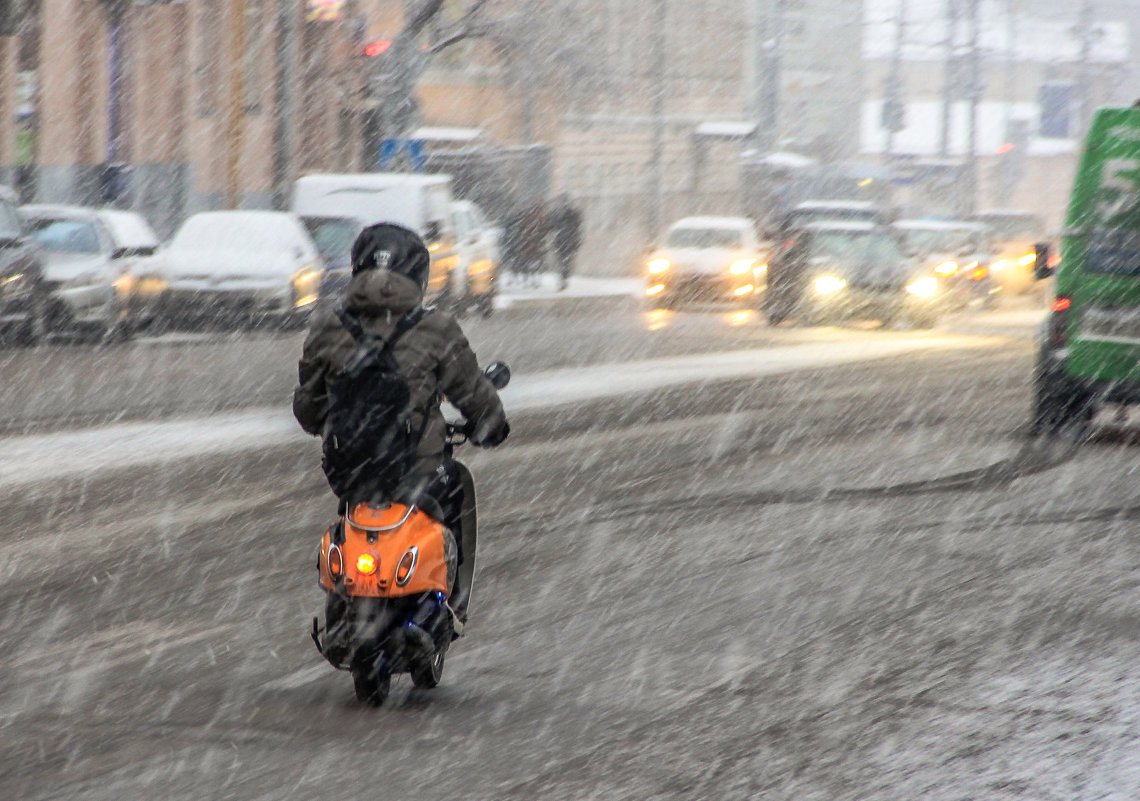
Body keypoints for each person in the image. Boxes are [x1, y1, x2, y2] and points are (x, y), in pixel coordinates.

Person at [292, 222, 510, 530]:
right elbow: (474, 395)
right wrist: (492, 426)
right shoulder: (437, 328)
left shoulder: (327, 327)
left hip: (348, 473)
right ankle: (451, 576)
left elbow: (308, 413)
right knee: (455, 486)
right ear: (419, 276)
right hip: (416, 471)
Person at [547, 193, 583, 291]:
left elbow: (550, 227)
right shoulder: (574, 213)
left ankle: (563, 275)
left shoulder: (556, 214)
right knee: (567, 260)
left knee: (561, 260)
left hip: (561, 240)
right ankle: (564, 274)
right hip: (569, 240)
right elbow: (578, 226)